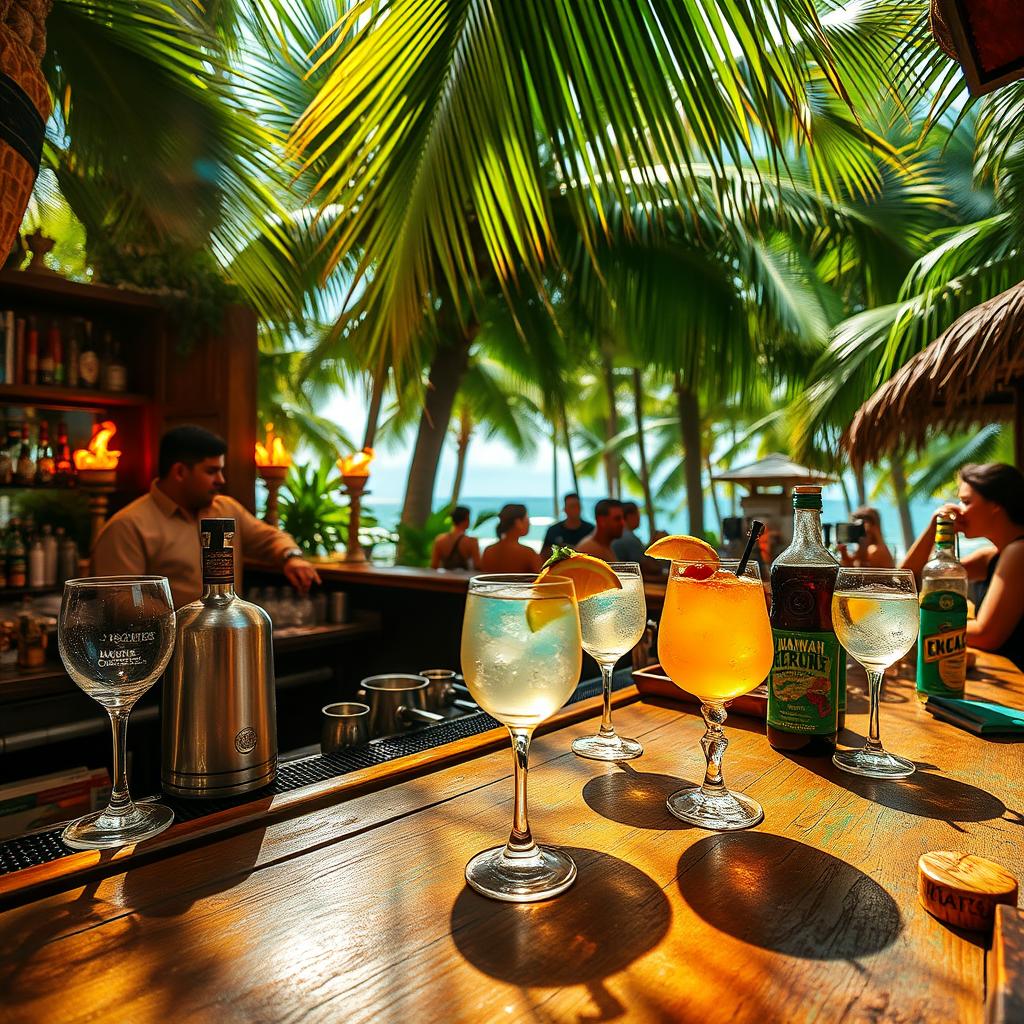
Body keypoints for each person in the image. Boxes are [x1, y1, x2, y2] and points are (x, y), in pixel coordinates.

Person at [91, 425, 320, 608]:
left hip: (224, 643)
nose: (221, 480)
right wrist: (192, 619)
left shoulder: (226, 509)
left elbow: (270, 538)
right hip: (167, 656)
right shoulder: (128, 526)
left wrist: (292, 557)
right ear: (179, 472)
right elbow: (119, 604)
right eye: (211, 471)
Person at [902, 463, 1024, 669]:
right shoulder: (993, 556)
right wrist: (934, 528)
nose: (959, 510)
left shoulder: (1019, 552)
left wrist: (916, 626)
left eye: (966, 502)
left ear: (995, 504)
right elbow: (908, 580)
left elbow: (987, 635)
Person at [478, 503, 542, 574]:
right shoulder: (528, 553)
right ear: (518, 522)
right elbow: (542, 580)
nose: (529, 523)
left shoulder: (488, 551)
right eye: (527, 519)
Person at [540, 493, 593, 560]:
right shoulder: (553, 530)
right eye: (572, 506)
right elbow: (543, 556)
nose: (575, 509)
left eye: (577, 506)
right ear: (565, 509)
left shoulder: (590, 530)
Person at [430, 506, 480, 571]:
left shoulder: (440, 540)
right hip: (463, 579)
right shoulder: (472, 541)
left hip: (446, 579)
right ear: (466, 519)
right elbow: (478, 566)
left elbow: (434, 566)